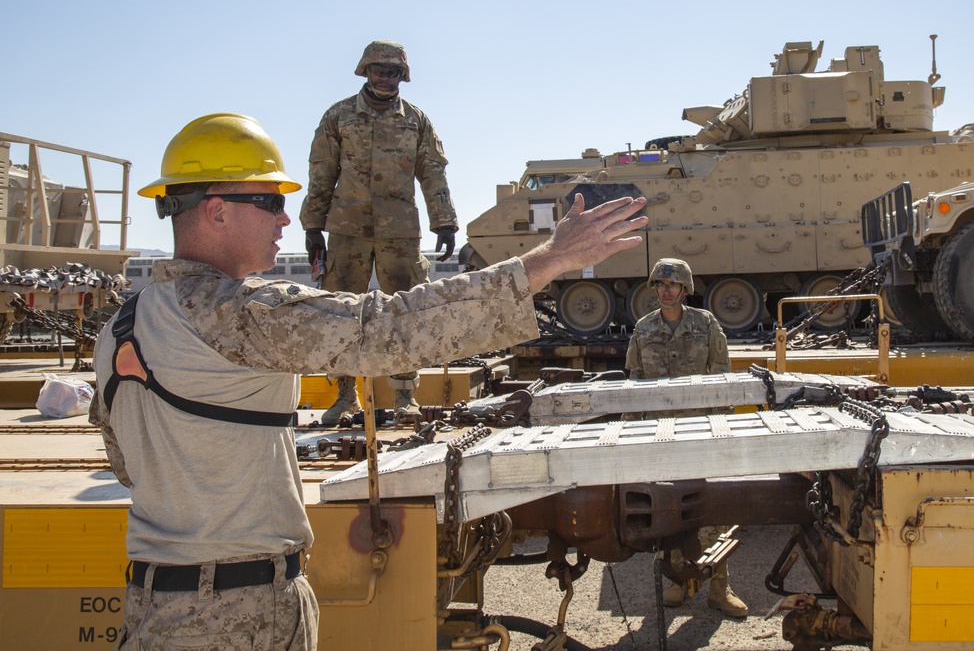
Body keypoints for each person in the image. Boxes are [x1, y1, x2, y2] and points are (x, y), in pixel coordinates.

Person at [89, 112, 648, 651]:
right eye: (270, 202)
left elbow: (126, 465)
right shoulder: (235, 312)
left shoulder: (122, 325)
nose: (287, 219)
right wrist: (549, 260)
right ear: (216, 211)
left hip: (162, 601)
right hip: (234, 608)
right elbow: (384, 330)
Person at [300, 40, 458, 424]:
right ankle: (344, 396)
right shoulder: (339, 117)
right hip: (347, 230)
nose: (385, 78)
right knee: (340, 312)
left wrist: (445, 220)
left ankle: (405, 395)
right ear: (365, 71)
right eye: (378, 70)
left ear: (402, 76)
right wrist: (312, 225)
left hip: (399, 231)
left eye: (392, 72)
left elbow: (433, 171)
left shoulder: (416, 120)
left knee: (404, 310)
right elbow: (321, 172)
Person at [624, 257, 748, 619]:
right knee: (670, 509)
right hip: (662, 435)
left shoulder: (706, 324)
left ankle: (720, 587)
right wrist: (632, 431)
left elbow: (723, 377)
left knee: (714, 509)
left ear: (685, 289)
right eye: (660, 285)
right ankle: (678, 580)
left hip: (700, 431)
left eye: (672, 285)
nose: (666, 290)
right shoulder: (643, 329)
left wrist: (721, 428)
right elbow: (634, 383)